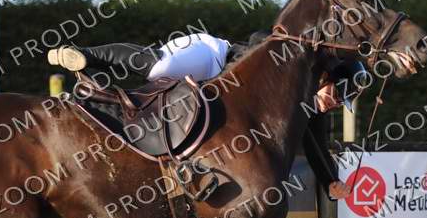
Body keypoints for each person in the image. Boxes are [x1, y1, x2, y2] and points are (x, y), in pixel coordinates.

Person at [47, 35, 352, 200]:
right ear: (324, 78)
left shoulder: (306, 102)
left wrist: (331, 181)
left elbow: (315, 140)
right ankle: (86, 53)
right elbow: (261, 38)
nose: (336, 104)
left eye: (342, 103)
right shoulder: (288, 73)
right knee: (160, 67)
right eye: (338, 94)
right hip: (210, 56)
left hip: (211, 80)